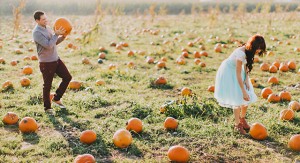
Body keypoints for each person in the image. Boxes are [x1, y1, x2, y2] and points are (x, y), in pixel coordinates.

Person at [214, 34, 266, 135]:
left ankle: (242, 119)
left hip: (239, 71)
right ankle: (237, 124)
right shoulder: (240, 54)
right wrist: (242, 91)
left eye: (261, 48)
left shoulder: (249, 51)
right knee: (237, 97)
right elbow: (237, 73)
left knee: (248, 94)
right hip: (229, 71)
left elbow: (246, 66)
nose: (259, 51)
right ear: (253, 46)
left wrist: (246, 79)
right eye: (258, 48)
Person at [32, 11, 72, 113]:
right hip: (46, 63)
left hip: (56, 59)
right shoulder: (37, 32)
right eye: (43, 19)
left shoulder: (48, 28)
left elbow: (54, 43)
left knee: (67, 77)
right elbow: (48, 45)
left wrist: (62, 37)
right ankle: (47, 108)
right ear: (37, 20)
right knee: (47, 85)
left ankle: (56, 98)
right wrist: (56, 34)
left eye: (46, 18)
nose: (46, 20)